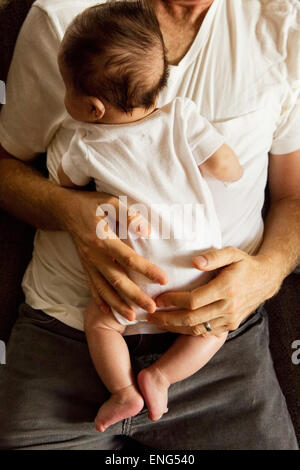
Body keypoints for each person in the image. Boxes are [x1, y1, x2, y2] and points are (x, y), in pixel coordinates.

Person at [0, 0, 299, 450]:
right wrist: (67, 210)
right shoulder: (63, 20)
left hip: (221, 337)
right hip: (61, 342)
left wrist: (267, 274)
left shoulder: (283, 23)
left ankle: (128, 389)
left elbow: (293, 195)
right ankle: (142, 384)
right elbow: (6, 167)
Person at [57, 1, 243, 431]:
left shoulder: (85, 141)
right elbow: (226, 168)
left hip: (132, 276)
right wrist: (225, 166)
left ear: (92, 107)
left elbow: (66, 183)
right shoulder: (181, 117)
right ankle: (161, 377)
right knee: (213, 330)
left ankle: (123, 391)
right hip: (195, 266)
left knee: (101, 324)